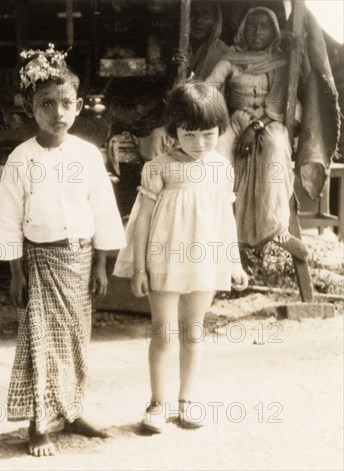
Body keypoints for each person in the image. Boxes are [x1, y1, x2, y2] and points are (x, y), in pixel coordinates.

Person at [0, 44, 126, 456]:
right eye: (46, 104)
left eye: (66, 104)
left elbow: (102, 211)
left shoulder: (87, 155)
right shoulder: (21, 158)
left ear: (80, 106)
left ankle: (73, 410)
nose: (57, 113)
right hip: (39, 262)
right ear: (31, 109)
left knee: (77, 341)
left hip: (81, 260)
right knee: (41, 344)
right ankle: (39, 423)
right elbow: (9, 217)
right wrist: (16, 272)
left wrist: (100, 265)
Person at [114, 82, 249, 432]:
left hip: (206, 258)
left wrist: (233, 261)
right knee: (163, 333)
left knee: (194, 331)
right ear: (173, 131)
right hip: (164, 258)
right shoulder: (159, 167)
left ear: (220, 131)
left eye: (209, 134)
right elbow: (142, 219)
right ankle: (158, 403)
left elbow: (225, 218)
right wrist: (140, 267)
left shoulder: (220, 167)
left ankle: (187, 401)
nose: (200, 143)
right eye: (190, 134)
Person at [205, 6, 306, 258]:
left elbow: (280, 102)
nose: (256, 31)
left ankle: (276, 227)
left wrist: (256, 127)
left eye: (264, 26)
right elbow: (209, 88)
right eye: (251, 25)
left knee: (273, 147)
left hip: (270, 121)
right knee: (216, 152)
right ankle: (219, 225)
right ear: (242, 30)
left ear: (274, 33)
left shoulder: (282, 62)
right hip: (237, 120)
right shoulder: (231, 58)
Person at [111, 1, 229, 164]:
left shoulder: (221, 53)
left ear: (216, 20)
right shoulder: (184, 47)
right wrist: (178, 68)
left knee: (158, 137)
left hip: (204, 119)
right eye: (194, 14)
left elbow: (207, 98)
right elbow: (172, 93)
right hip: (183, 116)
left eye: (206, 15)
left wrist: (186, 70)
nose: (198, 21)